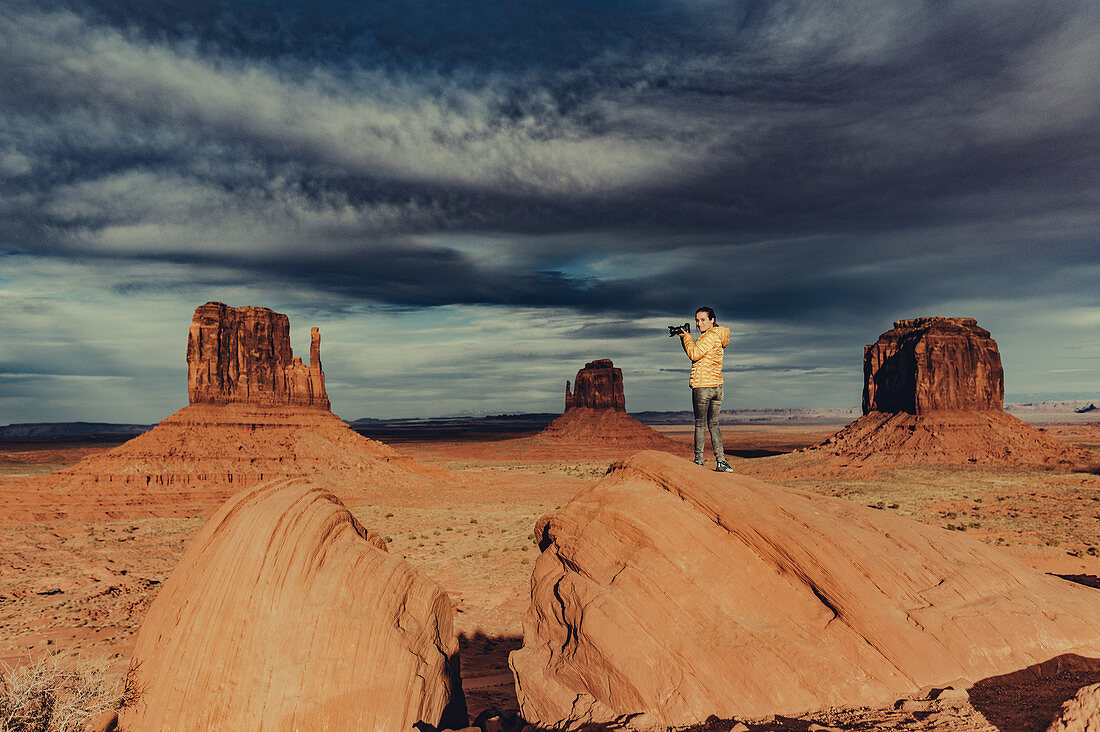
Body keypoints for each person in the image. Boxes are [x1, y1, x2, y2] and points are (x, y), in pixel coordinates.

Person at [679, 307, 733, 472]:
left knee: (700, 424)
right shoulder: (719, 337)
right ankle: (721, 461)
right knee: (714, 424)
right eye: (697, 320)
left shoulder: (709, 337)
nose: (699, 323)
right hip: (717, 387)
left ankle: (699, 461)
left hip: (703, 386)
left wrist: (686, 338)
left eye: (703, 320)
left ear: (712, 320)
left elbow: (694, 354)